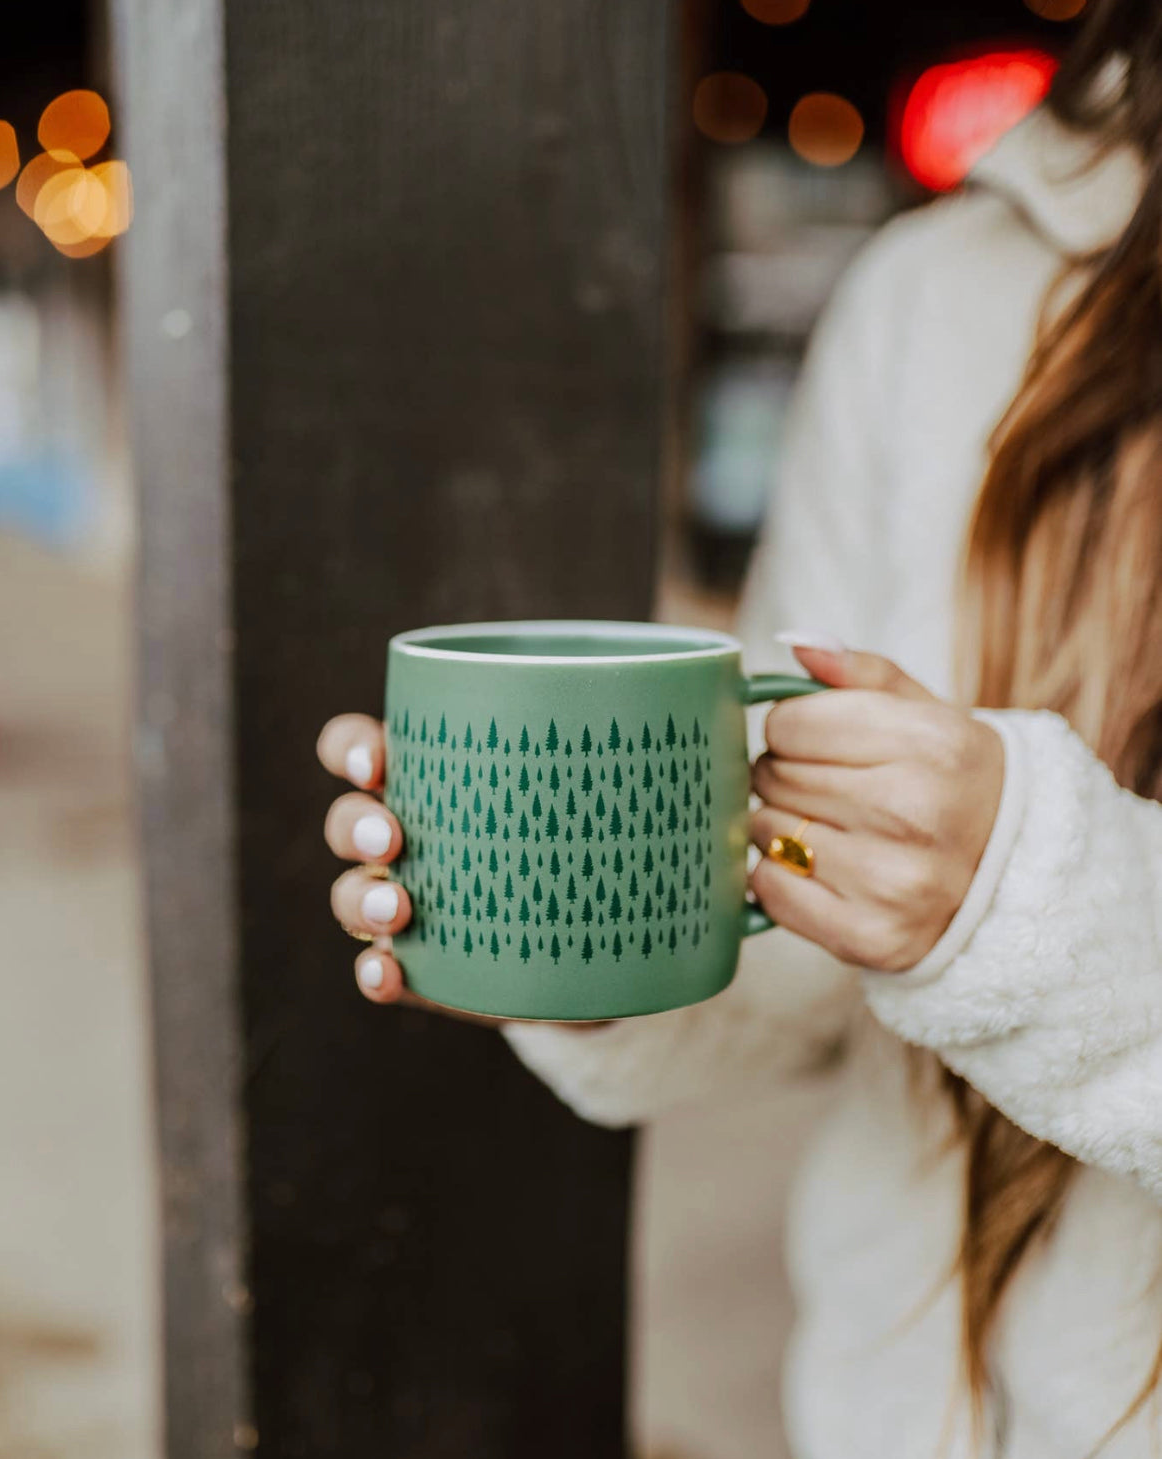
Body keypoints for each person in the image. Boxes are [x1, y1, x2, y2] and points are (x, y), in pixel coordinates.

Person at [317, 2, 1162, 1452]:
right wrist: (591, 929)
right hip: (898, 1405)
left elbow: (982, 914)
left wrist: (1020, 895)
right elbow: (796, 907)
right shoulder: (937, 295)